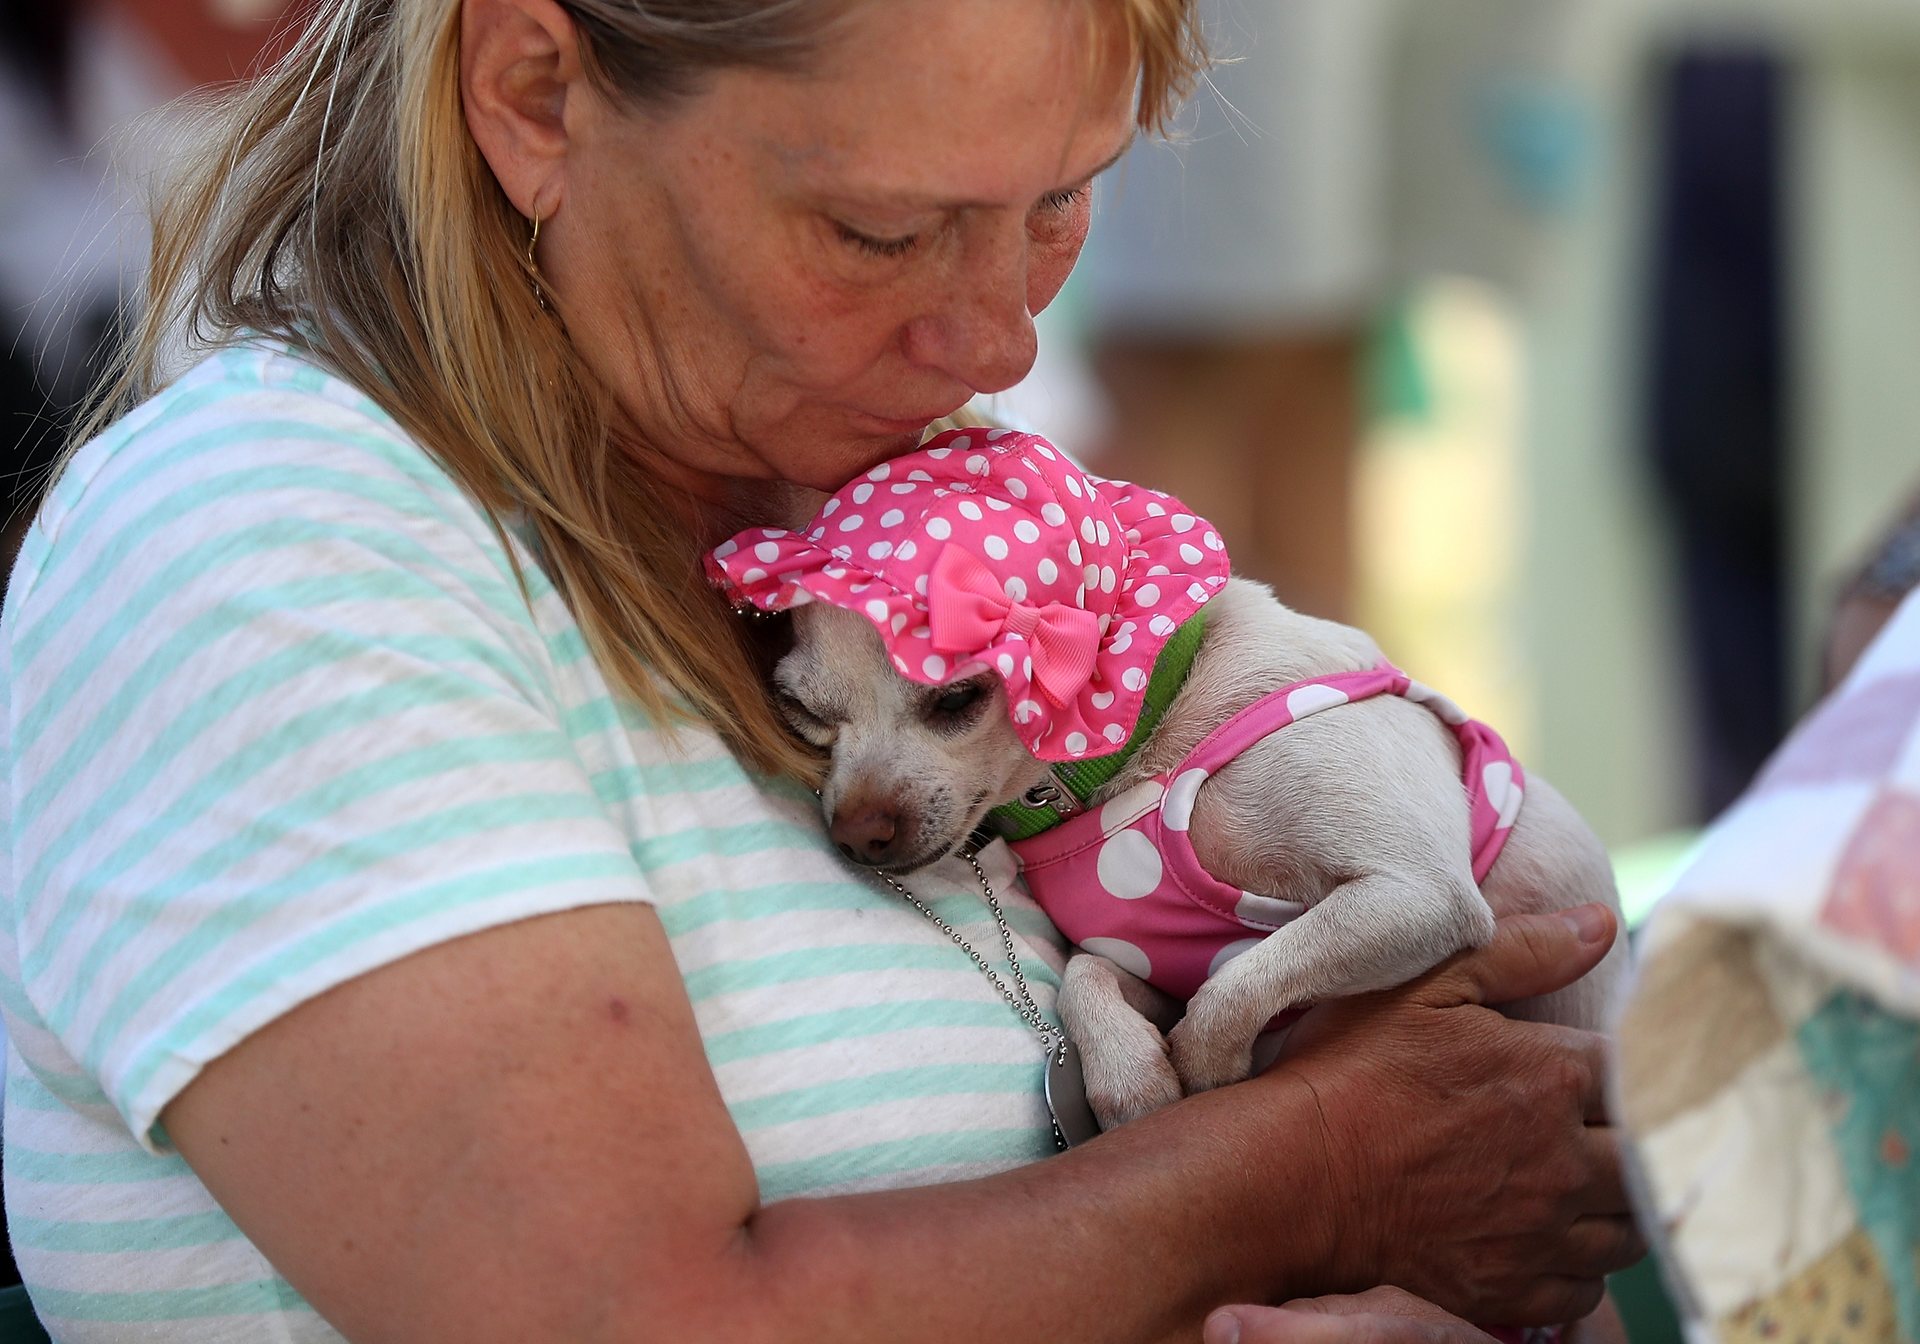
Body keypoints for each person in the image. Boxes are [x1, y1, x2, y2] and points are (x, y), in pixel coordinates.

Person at [0, 0, 1641, 1339]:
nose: (1000, 340)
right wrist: (1321, 1177)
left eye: (1063, 199)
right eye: (881, 231)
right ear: (534, 98)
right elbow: (638, 1321)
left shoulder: (876, 503)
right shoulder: (276, 548)